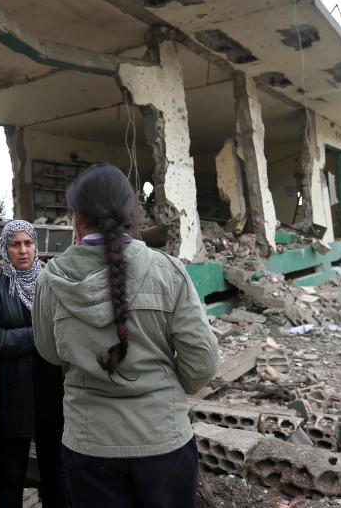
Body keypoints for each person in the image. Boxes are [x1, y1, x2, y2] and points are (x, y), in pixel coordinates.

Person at [33, 163, 219, 508]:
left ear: (77, 219)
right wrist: (164, 387)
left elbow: (49, 352)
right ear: (132, 216)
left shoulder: (50, 280)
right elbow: (203, 363)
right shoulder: (169, 272)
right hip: (162, 439)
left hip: (90, 444)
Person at [0, 220, 68, 508]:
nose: (23, 250)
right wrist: (39, 334)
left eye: (28, 243)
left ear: (36, 247)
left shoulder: (51, 286)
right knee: (10, 473)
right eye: (15, 244)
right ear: (4, 249)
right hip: (13, 397)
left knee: (57, 470)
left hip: (54, 394)